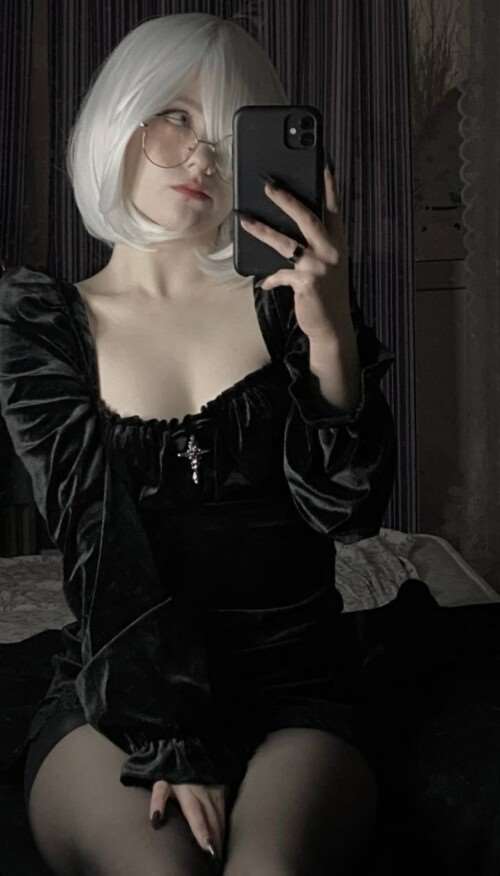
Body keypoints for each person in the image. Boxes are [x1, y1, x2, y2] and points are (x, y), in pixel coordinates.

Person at [0, 12, 397, 876]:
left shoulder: (290, 303)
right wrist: (167, 735)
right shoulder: (41, 323)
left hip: (296, 685)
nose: (205, 159)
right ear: (119, 118)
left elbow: (350, 510)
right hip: (119, 688)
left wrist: (329, 328)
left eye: (229, 134)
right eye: (176, 118)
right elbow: (98, 545)